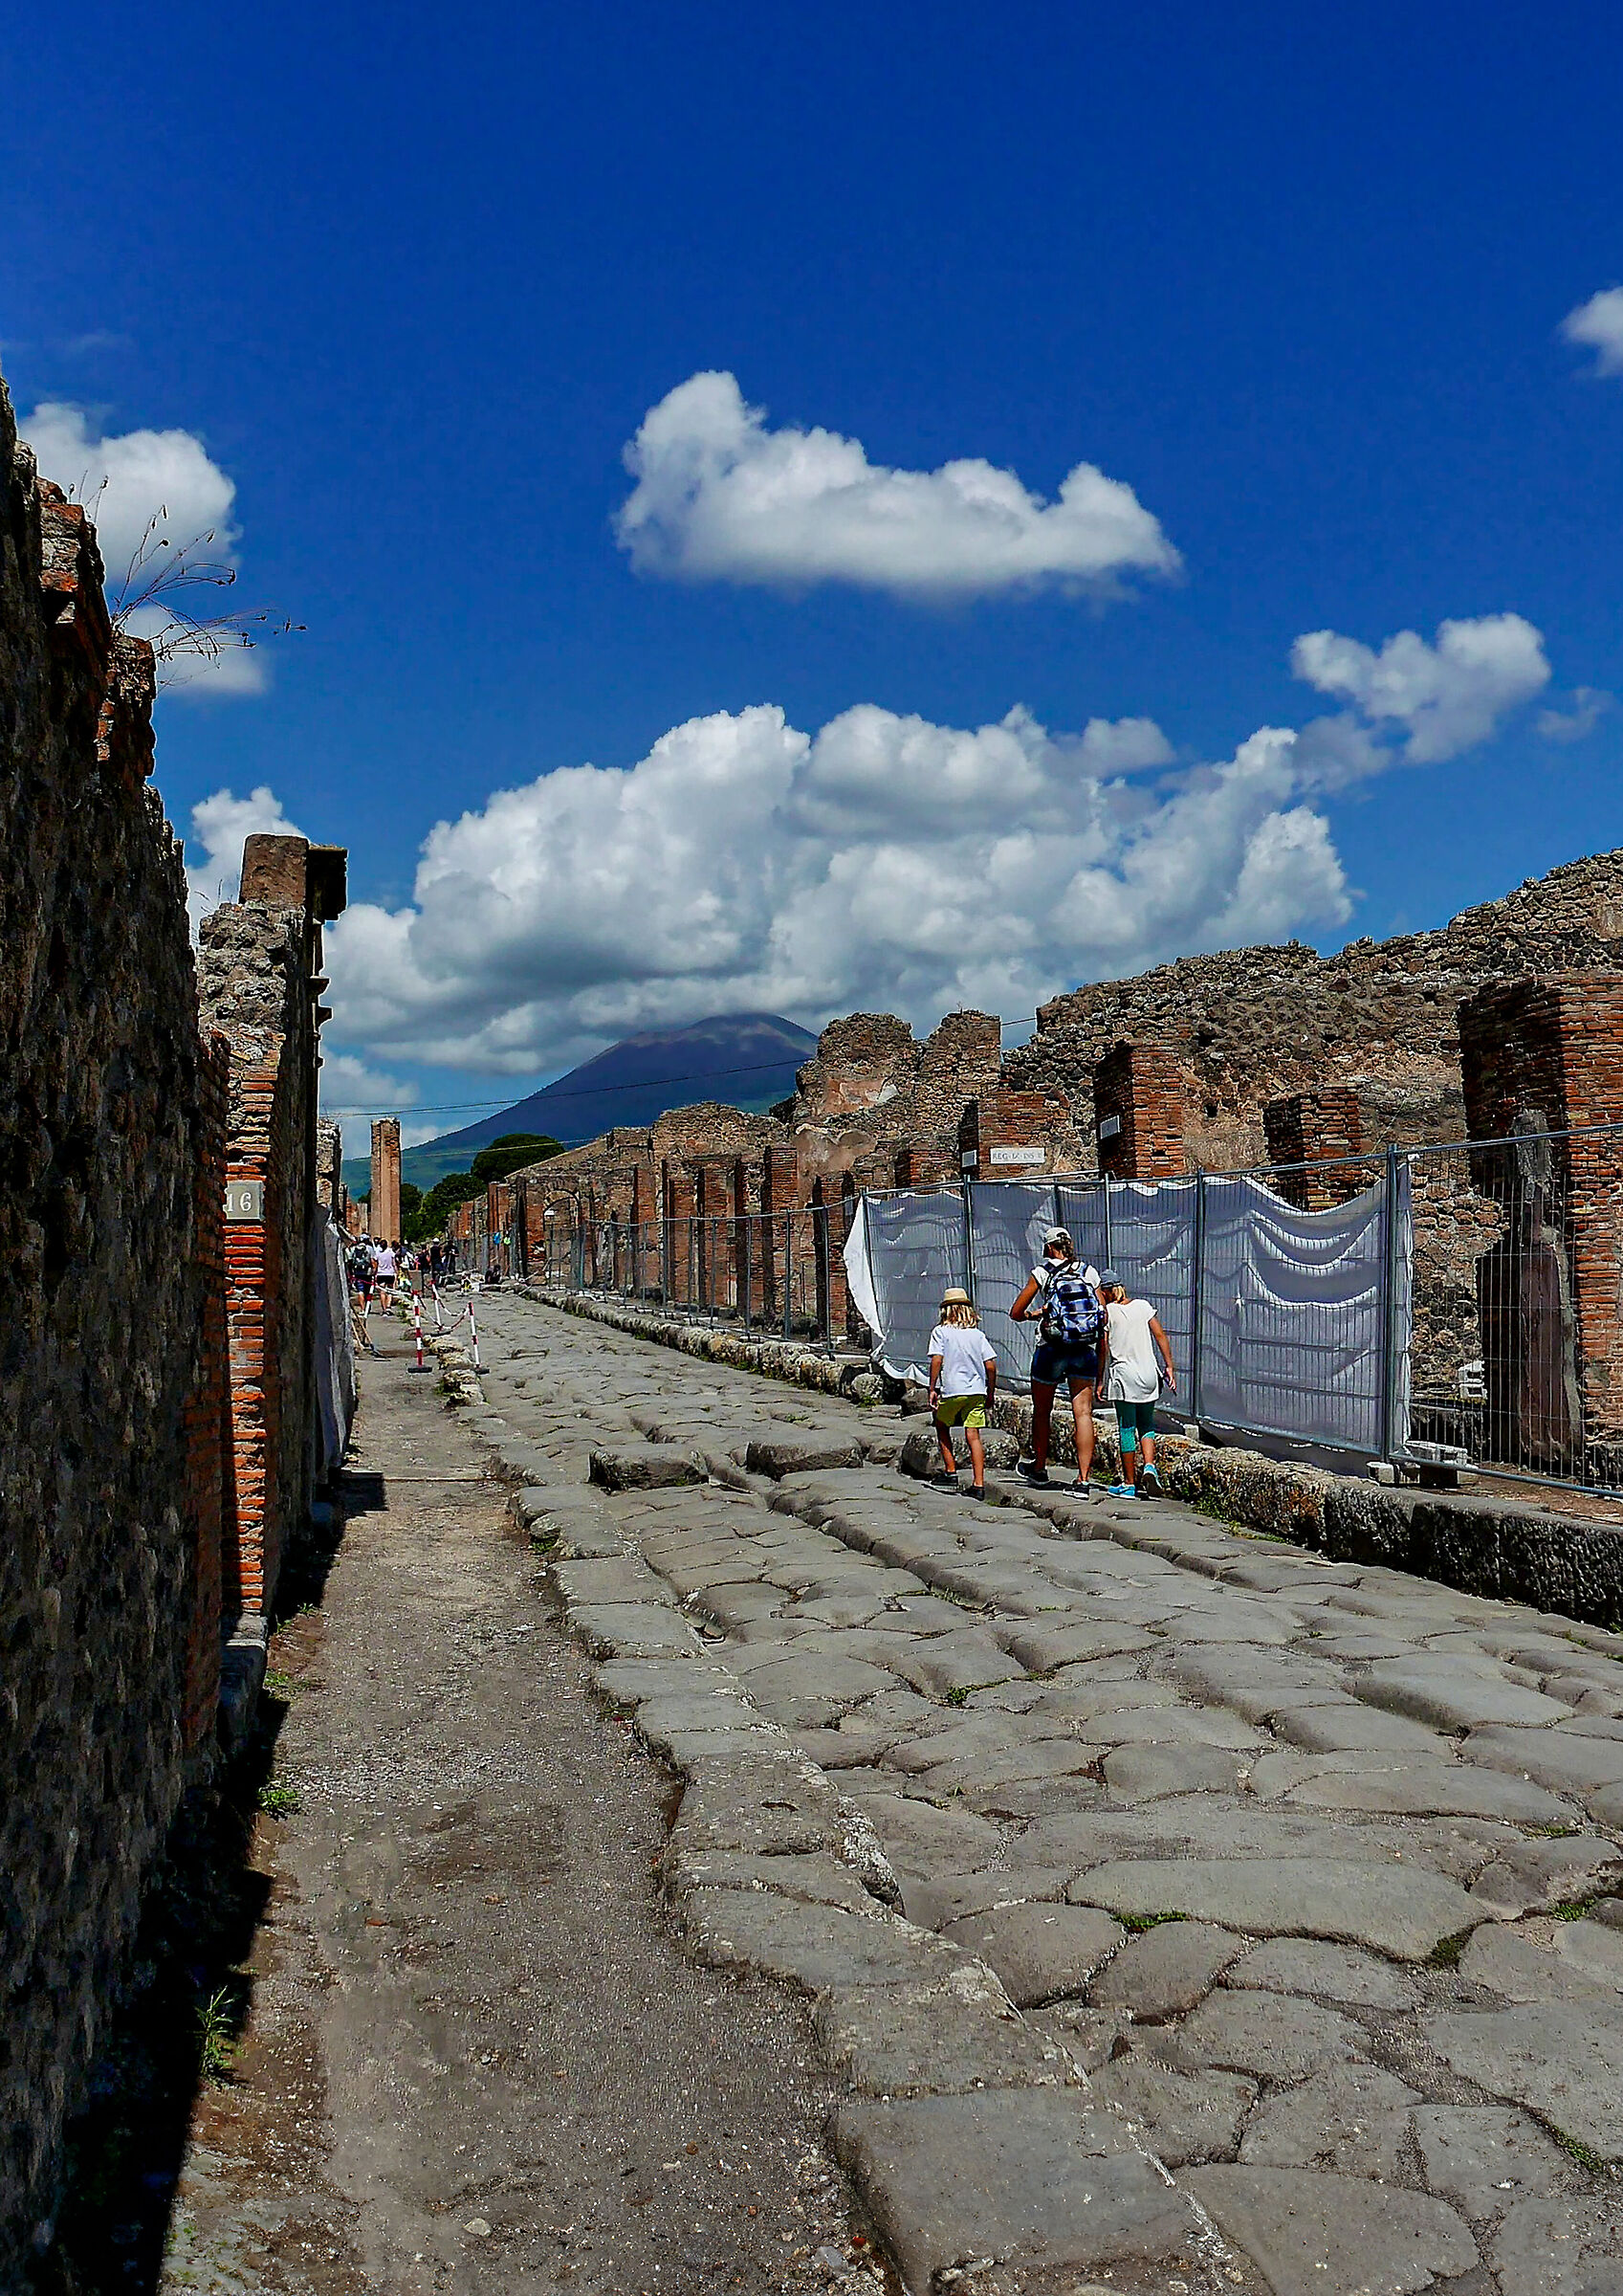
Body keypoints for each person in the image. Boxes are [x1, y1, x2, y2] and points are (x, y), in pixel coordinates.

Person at [1008, 1226, 1107, 1490]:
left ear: (1050, 1247)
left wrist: (1035, 1315)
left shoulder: (1042, 1273)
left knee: (1042, 1411)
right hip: (1084, 1348)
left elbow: (1015, 1312)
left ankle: (1039, 1467)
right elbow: (1102, 1315)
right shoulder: (1089, 1272)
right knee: (1083, 1414)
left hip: (1051, 1348)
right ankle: (1084, 1480)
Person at [1099, 1271, 1177, 1498]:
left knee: (1126, 1427)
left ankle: (1129, 1483)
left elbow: (1102, 1349)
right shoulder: (1143, 1306)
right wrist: (1169, 1366)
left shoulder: (1108, 1313)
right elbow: (1160, 1335)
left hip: (1125, 1376)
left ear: (1104, 1291)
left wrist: (1100, 1380)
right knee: (1146, 1423)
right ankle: (1150, 1466)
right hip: (1149, 1374)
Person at [927, 1288, 998, 1498]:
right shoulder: (978, 1335)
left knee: (941, 1425)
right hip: (977, 1391)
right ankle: (978, 1485)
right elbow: (991, 1365)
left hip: (952, 1390)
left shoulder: (940, 1332)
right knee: (973, 1435)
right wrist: (990, 1391)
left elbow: (937, 1359)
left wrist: (932, 1387)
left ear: (946, 1310)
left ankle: (950, 1471)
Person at [374, 1239, 398, 1311]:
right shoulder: (391, 1252)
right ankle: (388, 1306)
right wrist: (396, 1272)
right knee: (390, 1291)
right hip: (390, 1273)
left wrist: (375, 1274)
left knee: (382, 1292)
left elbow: (376, 1264)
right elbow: (394, 1263)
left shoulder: (378, 1253)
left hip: (380, 1273)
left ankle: (384, 1309)